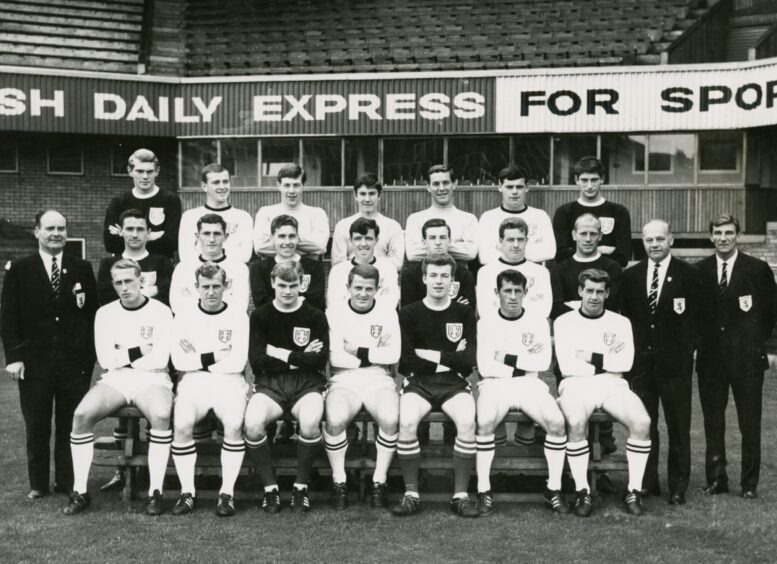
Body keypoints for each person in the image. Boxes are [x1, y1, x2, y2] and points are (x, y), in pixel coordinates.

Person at [63, 259, 173, 515]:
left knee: (160, 415)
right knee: (81, 415)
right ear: (113, 285)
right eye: (119, 283)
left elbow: (160, 358)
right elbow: (105, 359)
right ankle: (80, 492)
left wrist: (122, 352)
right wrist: (140, 350)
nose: (124, 287)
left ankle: (155, 492)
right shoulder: (105, 313)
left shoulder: (161, 311)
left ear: (141, 281)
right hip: (117, 378)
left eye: (129, 281)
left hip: (153, 377)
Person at [1, 210, 98, 500]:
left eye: (61, 228)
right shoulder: (20, 269)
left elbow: (91, 313)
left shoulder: (81, 267)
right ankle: (39, 483)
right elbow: (9, 317)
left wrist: (89, 355)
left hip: (73, 362)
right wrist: (14, 357)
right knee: (37, 423)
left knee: (70, 422)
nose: (56, 234)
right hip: (34, 362)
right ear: (37, 232)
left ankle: (67, 481)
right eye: (50, 228)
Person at [554, 269, 651, 517]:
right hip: (575, 383)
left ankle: (634, 490)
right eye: (589, 291)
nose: (594, 297)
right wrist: (607, 359)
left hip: (612, 384)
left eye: (599, 292)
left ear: (607, 293)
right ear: (580, 291)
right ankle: (582, 490)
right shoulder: (564, 322)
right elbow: (567, 366)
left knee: (642, 422)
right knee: (576, 422)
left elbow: (625, 363)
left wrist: (587, 356)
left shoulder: (621, 323)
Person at [695, 214, 777, 499]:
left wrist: (751, 342)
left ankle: (749, 484)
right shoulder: (700, 270)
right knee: (713, 422)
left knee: (749, 424)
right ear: (711, 237)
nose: (723, 238)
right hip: (711, 361)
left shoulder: (757, 269)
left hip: (747, 360)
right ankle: (717, 480)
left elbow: (769, 314)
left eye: (729, 233)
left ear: (737, 235)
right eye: (718, 233)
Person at [392, 253, 479, 518]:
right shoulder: (408, 313)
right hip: (418, 383)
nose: (438, 281)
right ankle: (411, 494)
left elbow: (468, 362)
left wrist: (428, 354)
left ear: (453, 281)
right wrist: (449, 358)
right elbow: (407, 362)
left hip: (454, 383)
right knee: (407, 422)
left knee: (467, 422)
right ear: (424, 278)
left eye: (444, 276)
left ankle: (460, 496)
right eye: (433, 275)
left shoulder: (465, 313)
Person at [475, 270, 568, 516]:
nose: (513, 296)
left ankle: (554, 488)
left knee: (557, 423)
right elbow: (485, 367)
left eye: (518, 291)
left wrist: (504, 357)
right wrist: (524, 360)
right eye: (507, 291)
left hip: (530, 383)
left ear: (525, 292)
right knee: (484, 422)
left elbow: (543, 363)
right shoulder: (485, 323)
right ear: (497, 293)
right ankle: (484, 489)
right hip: (494, 384)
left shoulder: (538, 322)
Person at [619, 220, 699, 505]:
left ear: (671, 240)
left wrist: (688, 350)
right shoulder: (631, 276)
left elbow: (699, 319)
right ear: (642, 242)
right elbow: (625, 318)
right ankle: (647, 481)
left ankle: (677, 486)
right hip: (641, 367)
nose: (654, 244)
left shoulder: (689, 274)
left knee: (678, 426)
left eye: (660, 239)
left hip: (675, 366)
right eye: (649, 240)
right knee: (645, 425)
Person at [244, 261, 329, 513]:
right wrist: (299, 357)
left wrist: (279, 353)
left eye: (293, 285)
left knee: (310, 423)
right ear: (273, 283)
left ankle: (300, 486)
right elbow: (257, 361)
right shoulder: (260, 315)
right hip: (270, 385)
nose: (288, 291)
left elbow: (319, 361)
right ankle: (270, 488)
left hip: (307, 385)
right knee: (253, 425)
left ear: (302, 284)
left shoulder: (315, 315)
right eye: (282, 285)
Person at [170, 262, 249, 517]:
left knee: (234, 425)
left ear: (226, 287)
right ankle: (187, 492)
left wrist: (198, 355)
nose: (211, 292)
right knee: (182, 424)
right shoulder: (184, 315)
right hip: (194, 381)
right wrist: (217, 354)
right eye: (205, 287)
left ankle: (227, 494)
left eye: (216, 286)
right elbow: (179, 361)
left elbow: (237, 361)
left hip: (230, 381)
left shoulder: (238, 315)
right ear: (197, 287)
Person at [324, 264, 401, 509]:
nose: (363, 293)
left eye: (369, 288)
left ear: (377, 289)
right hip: (344, 379)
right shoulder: (334, 312)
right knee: (335, 420)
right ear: (348, 287)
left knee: (390, 418)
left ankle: (379, 480)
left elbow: (394, 354)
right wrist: (374, 353)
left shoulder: (388, 312)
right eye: (357, 287)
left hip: (378, 378)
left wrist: (356, 351)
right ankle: (339, 481)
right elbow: (336, 358)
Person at [552, 156, 631, 267]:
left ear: (602, 179)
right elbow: (560, 255)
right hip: (574, 273)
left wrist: (575, 251)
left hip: (607, 274)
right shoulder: (564, 212)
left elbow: (622, 258)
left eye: (594, 180)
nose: (589, 186)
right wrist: (600, 250)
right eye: (584, 180)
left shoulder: (619, 212)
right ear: (576, 180)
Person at [103, 148, 181, 260]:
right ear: (130, 171)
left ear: (157, 171)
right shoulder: (118, 202)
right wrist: (153, 236)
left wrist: (125, 236)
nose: (145, 176)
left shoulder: (170, 200)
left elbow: (171, 243)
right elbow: (110, 244)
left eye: (150, 172)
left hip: (160, 265)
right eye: (140, 171)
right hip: (127, 265)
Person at [169, 213, 249, 314]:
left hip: (225, 321)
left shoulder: (239, 268)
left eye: (217, 234)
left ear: (225, 236)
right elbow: (177, 305)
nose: (212, 239)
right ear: (197, 236)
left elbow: (240, 305)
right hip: (192, 321)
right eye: (206, 234)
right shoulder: (183, 268)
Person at [475, 217, 552, 319]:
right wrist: (529, 301)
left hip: (530, 326)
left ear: (526, 241)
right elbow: (485, 311)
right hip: (497, 326)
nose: (516, 245)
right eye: (510, 240)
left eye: (520, 240)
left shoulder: (541, 272)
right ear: (501, 241)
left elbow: (544, 310)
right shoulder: (485, 272)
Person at [478, 165, 555, 265]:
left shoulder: (540, 216)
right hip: (498, 272)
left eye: (519, 187)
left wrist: (504, 249)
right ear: (500, 187)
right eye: (509, 187)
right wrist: (530, 247)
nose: (514, 192)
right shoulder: (488, 218)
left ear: (526, 187)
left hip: (532, 272)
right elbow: (485, 257)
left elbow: (549, 252)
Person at [550, 214, 622, 319]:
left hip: (602, 325)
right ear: (574, 235)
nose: (588, 239)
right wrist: (591, 308)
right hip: (570, 326)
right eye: (583, 233)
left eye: (593, 234)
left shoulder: (612, 267)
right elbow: (556, 308)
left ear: (600, 236)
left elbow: (612, 306)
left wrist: (573, 304)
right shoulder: (560, 269)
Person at [178, 164, 254, 264]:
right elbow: (186, 255)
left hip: (233, 270)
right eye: (216, 182)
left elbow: (245, 255)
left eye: (225, 182)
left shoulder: (243, 217)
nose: (222, 187)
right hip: (198, 271)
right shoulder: (190, 216)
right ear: (204, 186)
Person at [97, 209, 174, 306]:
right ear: (121, 232)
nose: (134, 235)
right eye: (129, 229)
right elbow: (107, 300)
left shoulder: (162, 262)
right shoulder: (108, 264)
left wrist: (127, 296)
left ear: (148, 233)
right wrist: (148, 292)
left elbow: (166, 299)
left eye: (140, 229)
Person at [404, 165, 478, 263]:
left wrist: (431, 245)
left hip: (458, 271)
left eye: (446, 183)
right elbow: (412, 254)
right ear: (428, 187)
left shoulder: (468, 219)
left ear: (454, 184)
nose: (442, 188)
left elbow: (470, 253)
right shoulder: (415, 219)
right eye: (436, 184)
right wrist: (453, 244)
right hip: (424, 272)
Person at [250, 215, 325, 311]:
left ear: (298, 238)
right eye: (282, 236)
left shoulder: (315, 267)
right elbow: (261, 304)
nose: (287, 242)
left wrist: (279, 304)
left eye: (292, 236)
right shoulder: (259, 269)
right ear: (272, 238)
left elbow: (316, 303)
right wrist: (298, 302)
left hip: (305, 320)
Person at [253, 164, 329, 258]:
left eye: (296, 185)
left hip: (307, 266)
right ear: (278, 186)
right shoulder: (265, 213)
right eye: (287, 185)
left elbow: (321, 247)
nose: (291, 191)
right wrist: (306, 248)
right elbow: (260, 247)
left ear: (304, 186)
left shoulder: (317, 214)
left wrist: (279, 241)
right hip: (273, 266)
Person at [331, 172, 404, 270]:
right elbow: (338, 264)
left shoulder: (393, 227)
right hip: (351, 277)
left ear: (379, 195)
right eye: (362, 194)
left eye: (372, 193)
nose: (367, 199)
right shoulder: (343, 226)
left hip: (383, 277)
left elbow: (397, 263)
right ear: (355, 195)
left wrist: (372, 273)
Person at [400, 218, 475, 309]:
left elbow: (468, 313)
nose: (438, 243)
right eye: (432, 238)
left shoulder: (464, 275)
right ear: (424, 242)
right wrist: (454, 308)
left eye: (442, 237)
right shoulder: (410, 275)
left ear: (449, 241)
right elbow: (407, 314)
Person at [326, 217, 399, 310]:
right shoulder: (338, 271)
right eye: (358, 238)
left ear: (376, 240)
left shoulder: (388, 268)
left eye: (368, 238)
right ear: (351, 240)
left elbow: (390, 303)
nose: (363, 244)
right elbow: (334, 304)